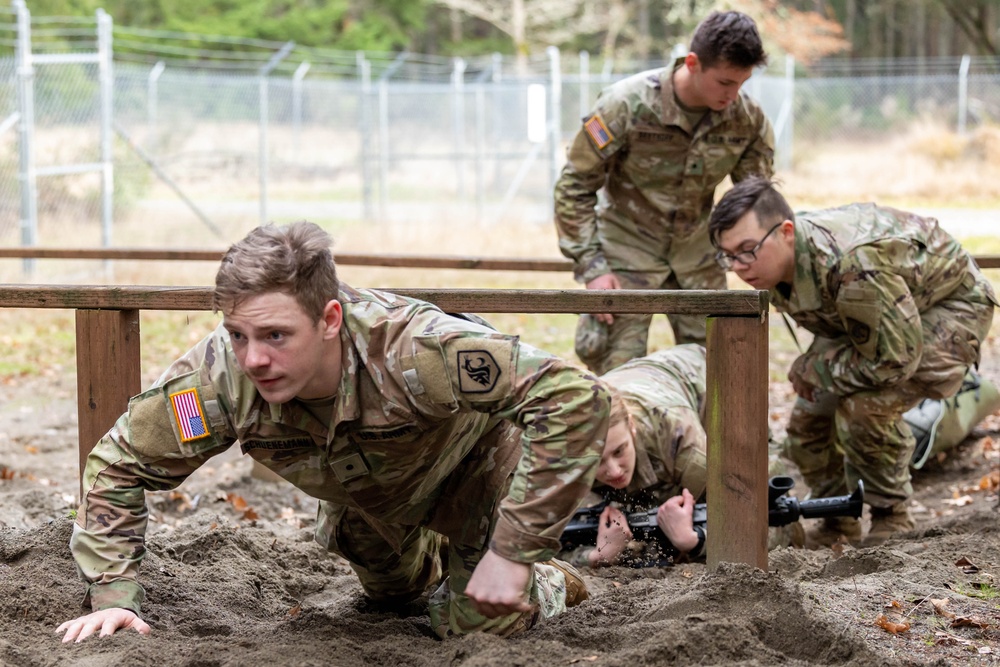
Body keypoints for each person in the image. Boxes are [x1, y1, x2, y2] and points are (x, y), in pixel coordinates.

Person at [57, 221, 613, 643]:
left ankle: (548, 578)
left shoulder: (415, 350)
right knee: (393, 600)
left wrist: (513, 553)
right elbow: (119, 464)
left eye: (276, 335)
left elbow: (575, 397)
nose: (254, 358)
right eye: (237, 334)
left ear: (329, 319)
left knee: (471, 624)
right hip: (370, 494)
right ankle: (447, 562)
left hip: (472, 471)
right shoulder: (219, 379)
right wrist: (113, 595)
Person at [708, 177, 999, 548]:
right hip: (878, 316)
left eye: (747, 250)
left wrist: (816, 366)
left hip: (950, 309)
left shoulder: (851, 264)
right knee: (806, 422)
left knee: (863, 409)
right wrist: (817, 364)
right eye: (728, 255)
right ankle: (838, 518)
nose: (739, 266)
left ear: (785, 232)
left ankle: (891, 518)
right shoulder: (781, 259)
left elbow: (895, 361)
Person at [554, 10, 774, 375]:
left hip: (697, 255)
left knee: (722, 372)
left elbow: (756, 199)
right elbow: (573, 187)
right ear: (693, 63)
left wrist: (755, 253)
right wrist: (592, 267)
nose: (733, 94)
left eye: (742, 82)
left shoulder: (746, 119)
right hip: (626, 252)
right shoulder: (626, 105)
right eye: (724, 82)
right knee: (616, 374)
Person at [560, 344, 800, 567]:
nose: (613, 471)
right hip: (643, 384)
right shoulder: (560, 459)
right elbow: (537, 546)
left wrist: (694, 541)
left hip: (712, 377)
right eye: (596, 461)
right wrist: (597, 555)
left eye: (619, 451)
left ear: (632, 428)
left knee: (761, 483)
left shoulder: (684, 445)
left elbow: (759, 523)